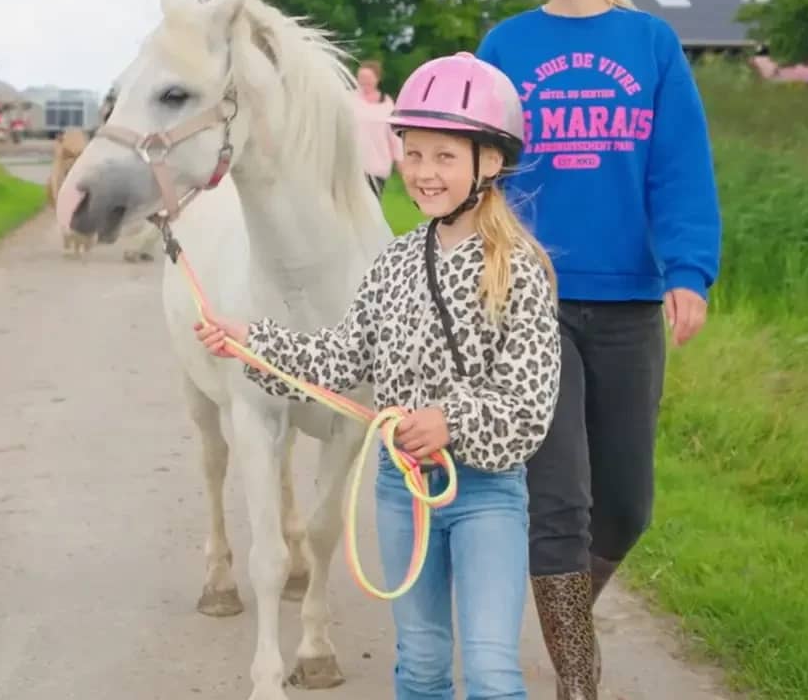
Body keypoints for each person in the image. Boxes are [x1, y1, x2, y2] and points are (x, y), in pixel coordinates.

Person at [194, 51, 563, 699]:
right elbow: (341, 363)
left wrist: (452, 420)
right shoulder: (393, 265)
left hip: (485, 495)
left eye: (445, 156)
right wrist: (254, 344)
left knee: (491, 669)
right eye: (414, 153)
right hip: (402, 489)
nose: (423, 172)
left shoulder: (521, 270)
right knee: (419, 662)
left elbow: (530, 408)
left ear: (493, 161)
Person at [475, 0, 722, 694]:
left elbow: (679, 171)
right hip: (533, 303)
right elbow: (476, 169)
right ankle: (577, 678)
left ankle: (559, 614)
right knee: (560, 502)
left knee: (624, 506)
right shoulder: (505, 48)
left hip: (628, 303)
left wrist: (689, 269)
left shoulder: (650, 45)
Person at [351, 59, 401, 198]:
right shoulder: (350, 99)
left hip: (378, 167)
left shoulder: (387, 104)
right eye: (361, 78)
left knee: (372, 205)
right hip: (353, 165)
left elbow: (394, 137)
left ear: (377, 79)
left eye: (368, 78)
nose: (364, 82)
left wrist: (400, 162)